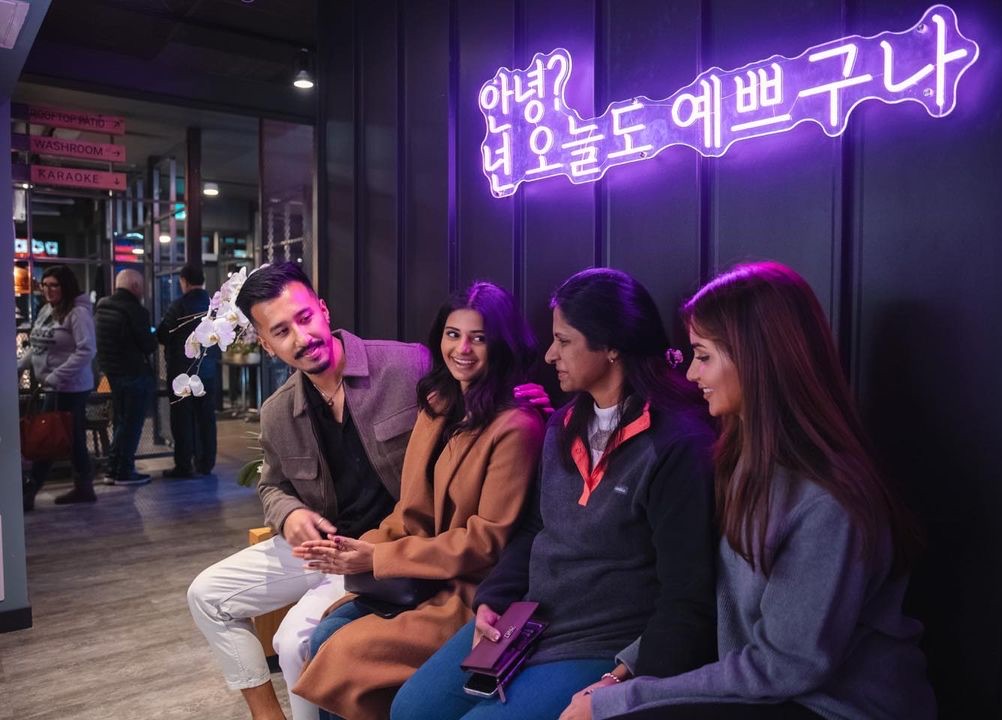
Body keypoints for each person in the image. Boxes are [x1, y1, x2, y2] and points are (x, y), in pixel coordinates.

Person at [572, 261, 934, 720]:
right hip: (768, 691)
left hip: (835, 707)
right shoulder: (740, 461)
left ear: (756, 359)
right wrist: (626, 672)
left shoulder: (827, 499)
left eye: (703, 356)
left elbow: (785, 666)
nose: (691, 374)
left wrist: (625, 701)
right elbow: (709, 598)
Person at [391, 268, 717, 720]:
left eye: (563, 341)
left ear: (612, 346)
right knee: (410, 709)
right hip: (531, 621)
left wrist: (628, 674)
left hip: (606, 641)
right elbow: (535, 528)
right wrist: (493, 600)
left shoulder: (676, 442)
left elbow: (687, 590)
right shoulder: (561, 425)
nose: (549, 354)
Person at [290, 281, 546, 720]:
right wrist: (356, 549)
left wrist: (379, 558)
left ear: (501, 344)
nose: (462, 349)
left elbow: (485, 543)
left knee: (344, 652)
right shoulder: (437, 403)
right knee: (324, 634)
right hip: (417, 576)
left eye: (478, 338)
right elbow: (410, 510)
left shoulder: (516, 425)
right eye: (453, 334)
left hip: (467, 590)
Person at [186, 261, 431, 720]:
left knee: (292, 640)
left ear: (323, 309)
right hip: (321, 546)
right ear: (266, 343)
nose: (301, 338)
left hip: (386, 547)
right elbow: (272, 485)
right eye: (281, 331)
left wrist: (521, 401)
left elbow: (476, 406)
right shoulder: (279, 411)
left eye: (305, 318)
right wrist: (289, 514)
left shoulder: (406, 365)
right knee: (206, 596)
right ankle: (267, 715)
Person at [19, 265, 97, 508]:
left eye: (54, 285)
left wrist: (55, 376)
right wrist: (20, 365)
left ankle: (30, 491)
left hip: (70, 387)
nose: (48, 290)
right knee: (70, 438)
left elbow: (87, 350)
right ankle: (84, 487)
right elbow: (38, 344)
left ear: (66, 287)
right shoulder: (46, 310)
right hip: (53, 386)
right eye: (45, 285)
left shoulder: (78, 313)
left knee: (49, 437)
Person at [94, 268, 156, 485]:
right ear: (135, 286)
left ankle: (113, 468)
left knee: (120, 423)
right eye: (142, 286)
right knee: (131, 425)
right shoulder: (136, 311)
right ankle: (124, 471)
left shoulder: (101, 308)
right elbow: (148, 345)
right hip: (134, 373)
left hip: (112, 373)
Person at [157, 263, 219, 478]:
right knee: (206, 418)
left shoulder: (179, 306)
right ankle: (206, 463)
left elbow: (163, 334)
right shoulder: (212, 307)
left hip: (182, 372)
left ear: (184, 281)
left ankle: (184, 465)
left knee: (182, 419)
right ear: (202, 280)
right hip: (207, 371)